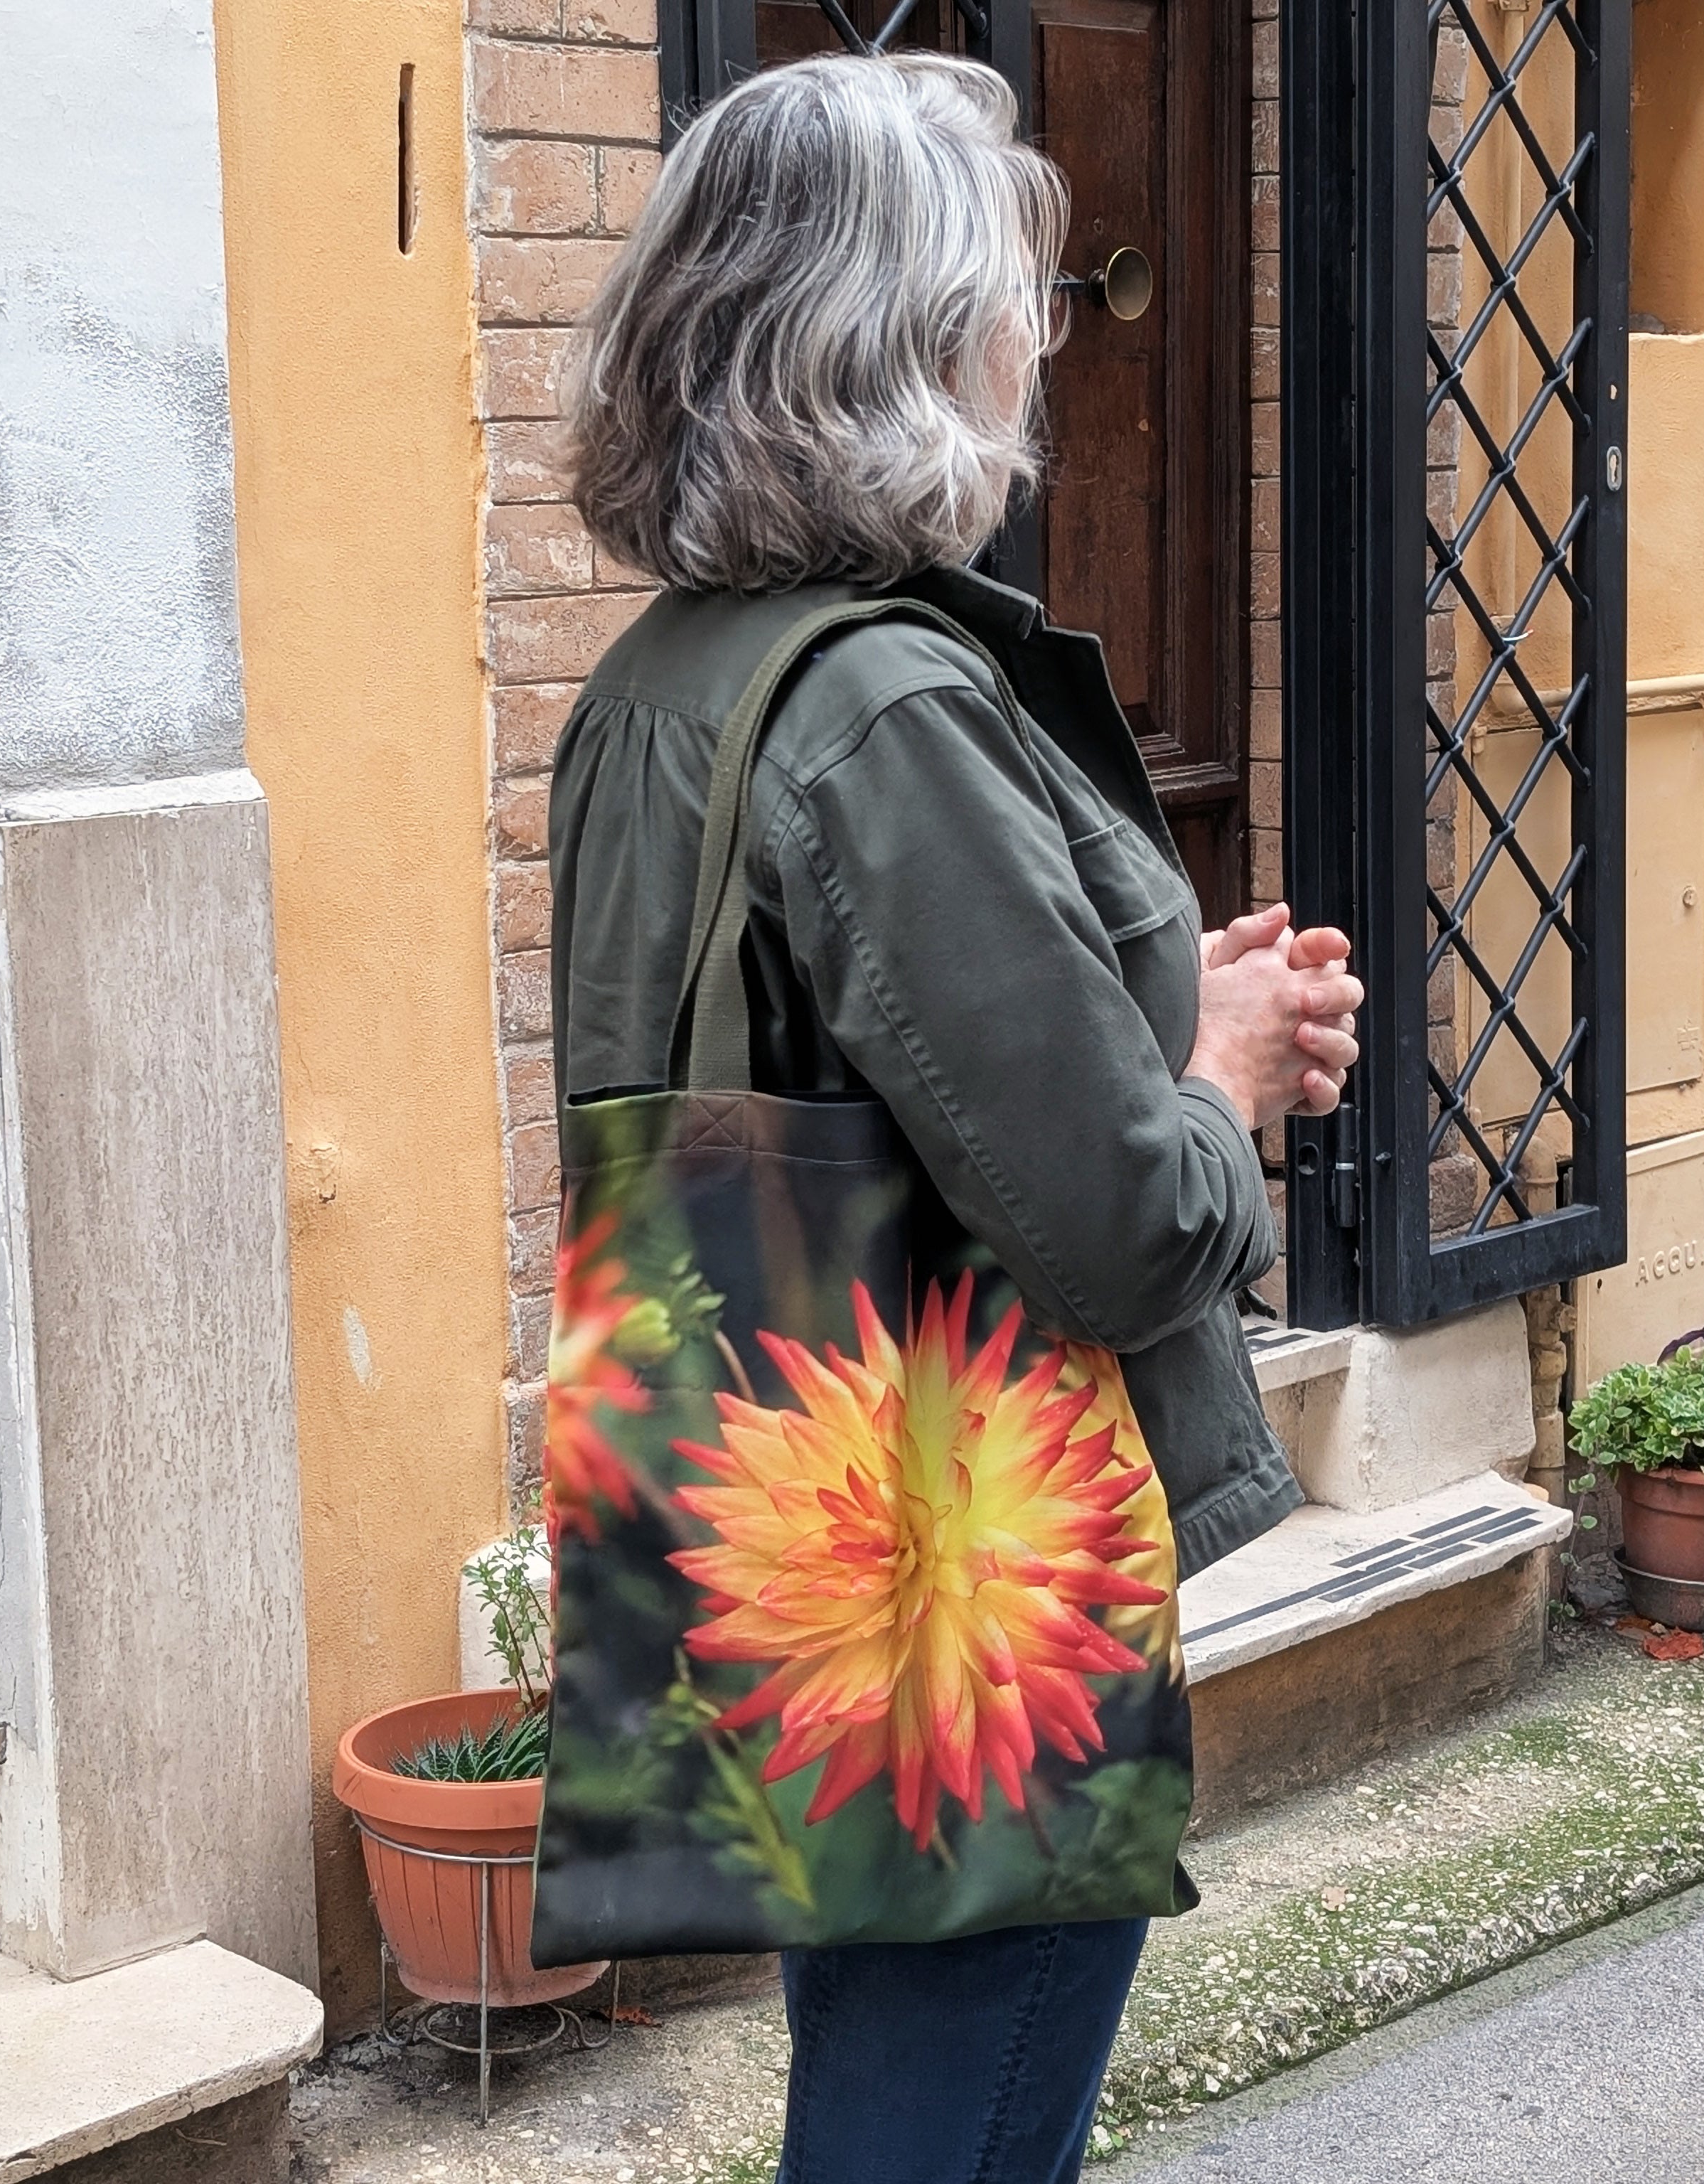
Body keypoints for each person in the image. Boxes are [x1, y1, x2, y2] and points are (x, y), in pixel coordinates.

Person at [550, 51, 1361, 2184]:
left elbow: (819, 1076)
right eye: (1022, 288)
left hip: (795, 1536)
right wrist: (1223, 1078)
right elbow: (1109, 1224)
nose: (1048, 335)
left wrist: (1170, 1013)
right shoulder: (890, 702)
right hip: (960, 1586)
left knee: (887, 2072)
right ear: (901, 338)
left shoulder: (666, 682)